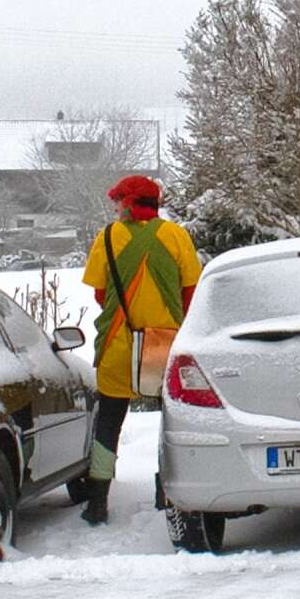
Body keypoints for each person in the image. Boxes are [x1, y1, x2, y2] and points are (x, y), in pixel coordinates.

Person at [80, 175, 202, 524]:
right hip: (163, 346)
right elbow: (191, 291)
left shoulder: (107, 238)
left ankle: (98, 500)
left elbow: (101, 294)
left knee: (109, 422)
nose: (115, 207)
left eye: (118, 200)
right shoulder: (176, 235)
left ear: (130, 203)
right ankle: (165, 490)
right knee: (171, 418)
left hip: (119, 344)